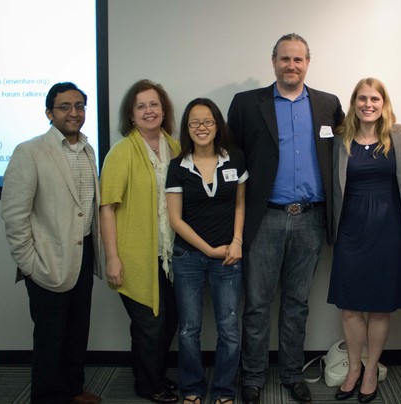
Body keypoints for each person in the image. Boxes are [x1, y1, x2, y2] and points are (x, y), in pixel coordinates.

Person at [227, 33, 344, 404]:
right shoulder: (247, 104)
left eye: (298, 60)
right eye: (284, 59)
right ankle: (253, 377)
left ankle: (293, 373)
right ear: (273, 61)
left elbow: (347, 149)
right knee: (258, 304)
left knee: (297, 303)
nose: (291, 66)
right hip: (265, 219)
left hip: (310, 218)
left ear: (308, 62)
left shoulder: (328, 104)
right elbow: (234, 160)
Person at [1, 82, 103, 404]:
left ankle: (72, 390)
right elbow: (14, 215)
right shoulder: (29, 151)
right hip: (46, 260)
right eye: (65, 107)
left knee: (76, 331)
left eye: (79, 106)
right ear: (49, 112)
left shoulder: (88, 149)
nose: (74, 113)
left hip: (83, 253)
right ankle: (45, 398)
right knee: (50, 337)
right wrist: (30, 264)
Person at [328, 78, 401, 403]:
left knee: (379, 308)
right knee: (349, 307)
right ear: (354, 102)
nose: (368, 104)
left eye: (375, 98)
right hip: (350, 231)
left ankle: (371, 369)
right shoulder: (340, 139)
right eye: (362, 98)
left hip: (389, 232)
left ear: (383, 102)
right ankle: (353, 368)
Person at [100, 79, 180, 403]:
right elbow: (107, 207)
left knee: (169, 321)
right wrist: (112, 257)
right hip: (135, 256)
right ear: (131, 115)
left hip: (170, 254)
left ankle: (152, 375)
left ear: (164, 110)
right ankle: (148, 386)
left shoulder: (175, 148)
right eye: (141, 106)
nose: (149, 111)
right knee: (149, 325)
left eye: (154, 104)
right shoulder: (121, 153)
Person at [166, 98, 248, 404]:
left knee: (229, 327)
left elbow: (241, 204)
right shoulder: (178, 166)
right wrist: (207, 250)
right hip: (189, 257)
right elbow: (175, 219)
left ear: (217, 125)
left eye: (208, 122)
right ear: (187, 129)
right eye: (195, 123)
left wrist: (237, 241)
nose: (202, 128)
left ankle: (224, 391)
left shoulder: (235, 158)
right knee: (188, 329)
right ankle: (192, 389)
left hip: (229, 255)